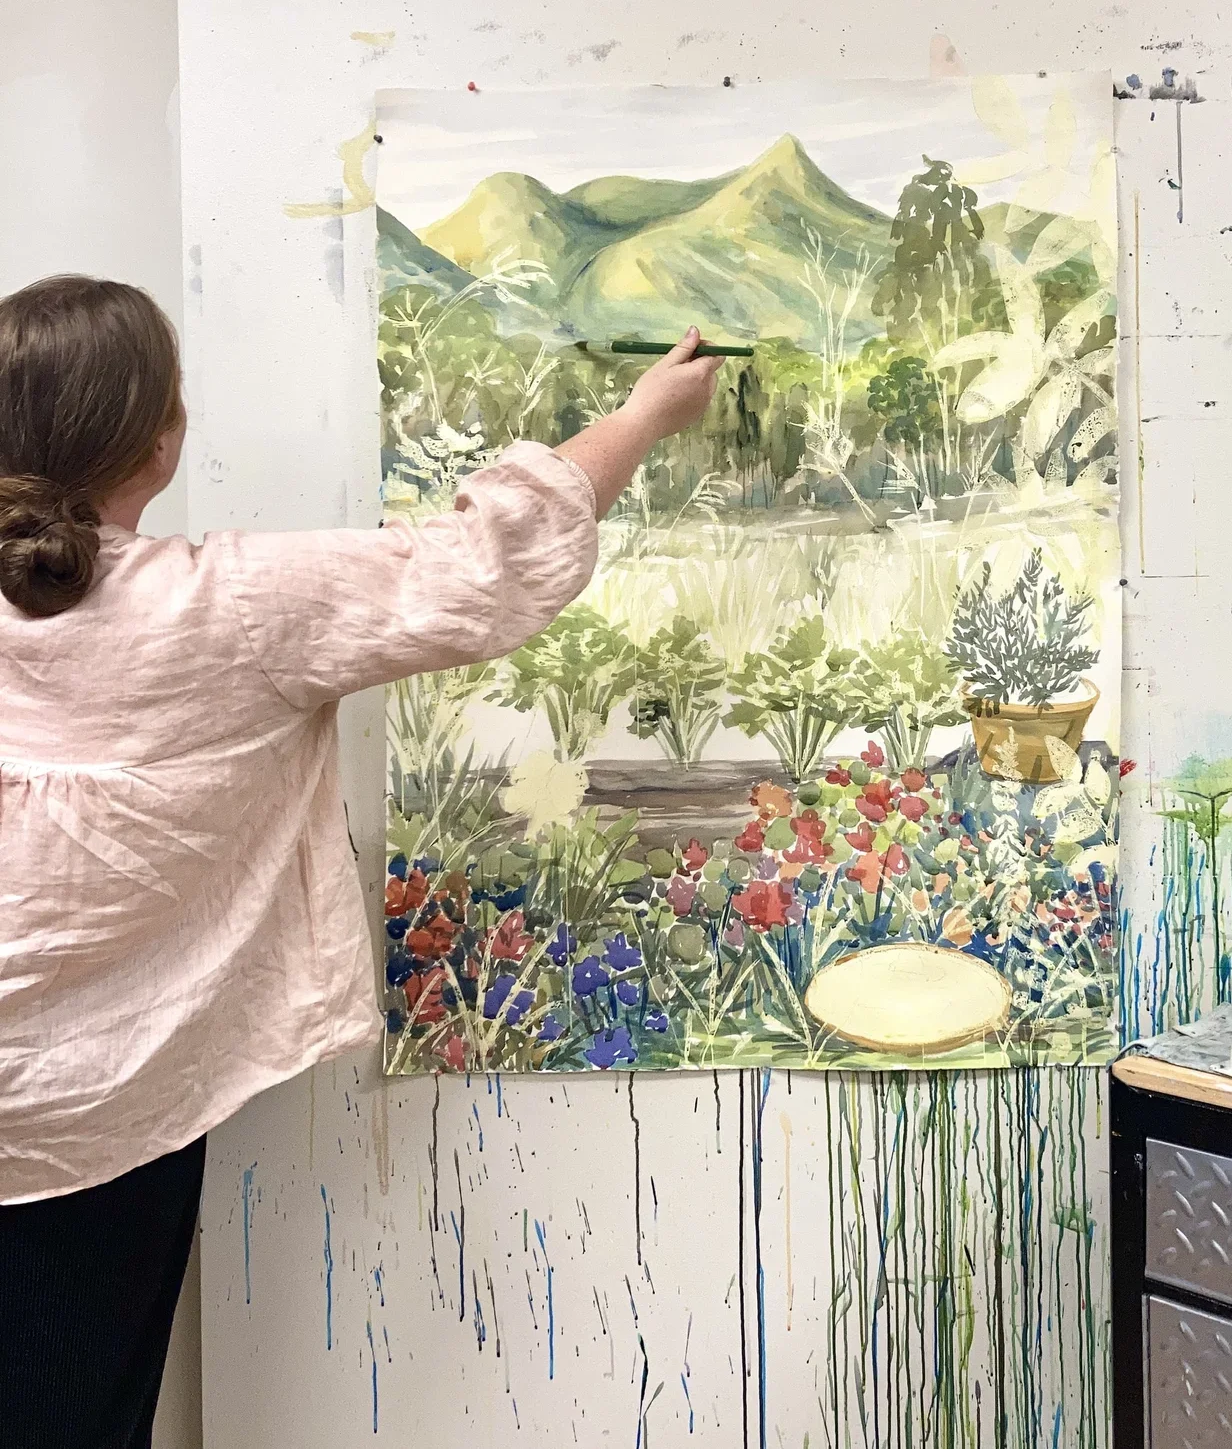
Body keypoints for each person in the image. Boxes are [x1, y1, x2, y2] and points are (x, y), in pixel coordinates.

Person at [0, 274, 722, 1447]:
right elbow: (482, 562)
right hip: (91, 1123)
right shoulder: (220, 606)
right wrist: (642, 416)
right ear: (164, 438)